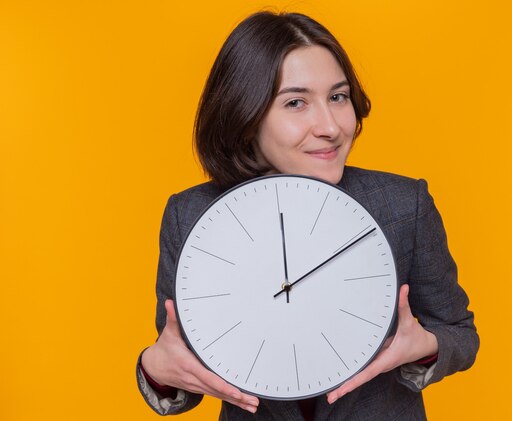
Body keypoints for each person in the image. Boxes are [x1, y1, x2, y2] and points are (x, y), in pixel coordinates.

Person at [136, 11, 479, 421]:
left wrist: (425, 348)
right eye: (296, 102)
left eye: (338, 97)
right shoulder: (192, 216)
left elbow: (460, 333)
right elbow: (181, 365)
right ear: (246, 116)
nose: (331, 126)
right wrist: (155, 369)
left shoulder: (404, 205)